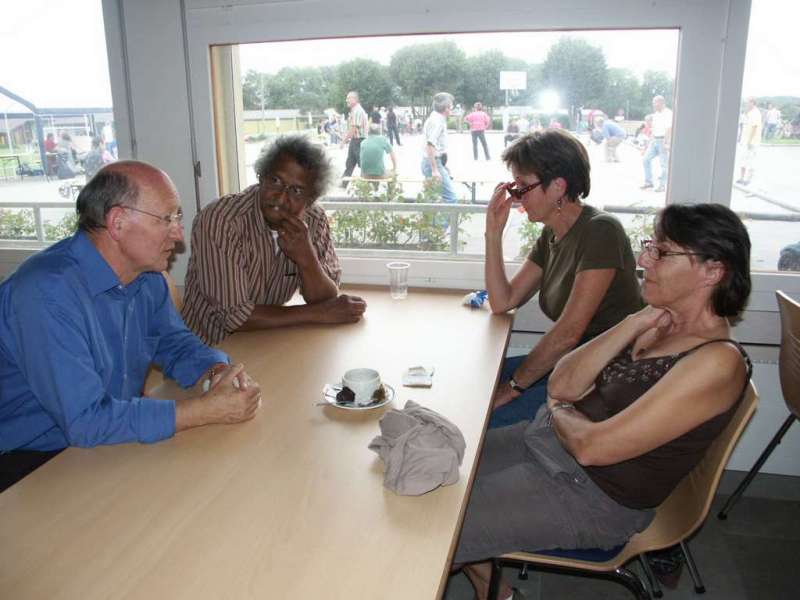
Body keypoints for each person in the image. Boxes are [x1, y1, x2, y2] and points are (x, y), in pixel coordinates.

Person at [454, 203, 753, 600]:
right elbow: (562, 378)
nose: (644, 258)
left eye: (661, 252)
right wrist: (634, 321)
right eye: (650, 246)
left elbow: (592, 447)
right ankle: (501, 594)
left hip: (590, 496)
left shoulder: (717, 361)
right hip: (546, 444)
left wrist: (561, 409)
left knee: (439, 529)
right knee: (440, 476)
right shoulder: (656, 321)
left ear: (713, 271)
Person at [0, 161, 262, 491]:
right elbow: (84, 421)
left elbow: (174, 344)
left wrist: (214, 372)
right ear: (118, 222)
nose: (179, 234)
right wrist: (202, 411)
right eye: (167, 218)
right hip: (28, 462)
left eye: (178, 218)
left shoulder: (145, 277)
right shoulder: (46, 292)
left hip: (99, 444)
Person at [484, 129, 642, 429]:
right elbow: (502, 301)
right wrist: (493, 233)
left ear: (557, 186)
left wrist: (514, 388)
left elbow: (569, 332)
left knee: (482, 416)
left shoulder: (601, 231)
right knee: (477, 387)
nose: (516, 198)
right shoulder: (552, 235)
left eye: (522, 188)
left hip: (604, 377)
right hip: (572, 362)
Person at [182, 135, 366, 345]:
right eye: (275, 181)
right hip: (208, 352)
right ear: (261, 177)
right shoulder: (221, 221)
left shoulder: (314, 220)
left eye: (296, 191)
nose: (280, 197)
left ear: (311, 199)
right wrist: (318, 313)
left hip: (268, 342)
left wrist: (307, 257)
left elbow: (326, 301)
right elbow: (234, 318)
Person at [421, 92, 457, 203]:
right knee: (450, 198)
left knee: (433, 199)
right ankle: (446, 221)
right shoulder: (437, 121)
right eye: (451, 107)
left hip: (434, 162)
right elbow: (430, 145)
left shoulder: (435, 119)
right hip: (433, 162)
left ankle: (432, 220)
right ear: (446, 108)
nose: (452, 110)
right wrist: (435, 169)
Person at [641, 95, 673, 193]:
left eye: (655, 103)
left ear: (661, 102)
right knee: (646, 159)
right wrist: (647, 146)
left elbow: (669, 128)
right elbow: (653, 129)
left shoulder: (668, 113)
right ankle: (648, 182)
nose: (653, 105)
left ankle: (662, 185)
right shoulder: (656, 114)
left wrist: (666, 142)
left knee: (663, 165)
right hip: (655, 140)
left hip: (663, 140)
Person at [341, 91, 369, 181]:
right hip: (356, 140)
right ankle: (345, 181)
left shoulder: (357, 111)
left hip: (359, 140)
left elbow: (353, 128)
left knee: (361, 162)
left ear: (355, 99)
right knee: (350, 162)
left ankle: (368, 181)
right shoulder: (355, 110)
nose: (347, 100)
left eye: (349, 98)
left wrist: (344, 141)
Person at [736, 97, 762, 186]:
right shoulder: (749, 113)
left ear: (753, 103)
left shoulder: (756, 113)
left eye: (748, 103)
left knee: (751, 161)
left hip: (752, 142)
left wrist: (750, 141)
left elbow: (754, 127)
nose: (747, 104)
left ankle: (748, 179)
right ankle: (741, 178)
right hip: (745, 140)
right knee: (743, 159)